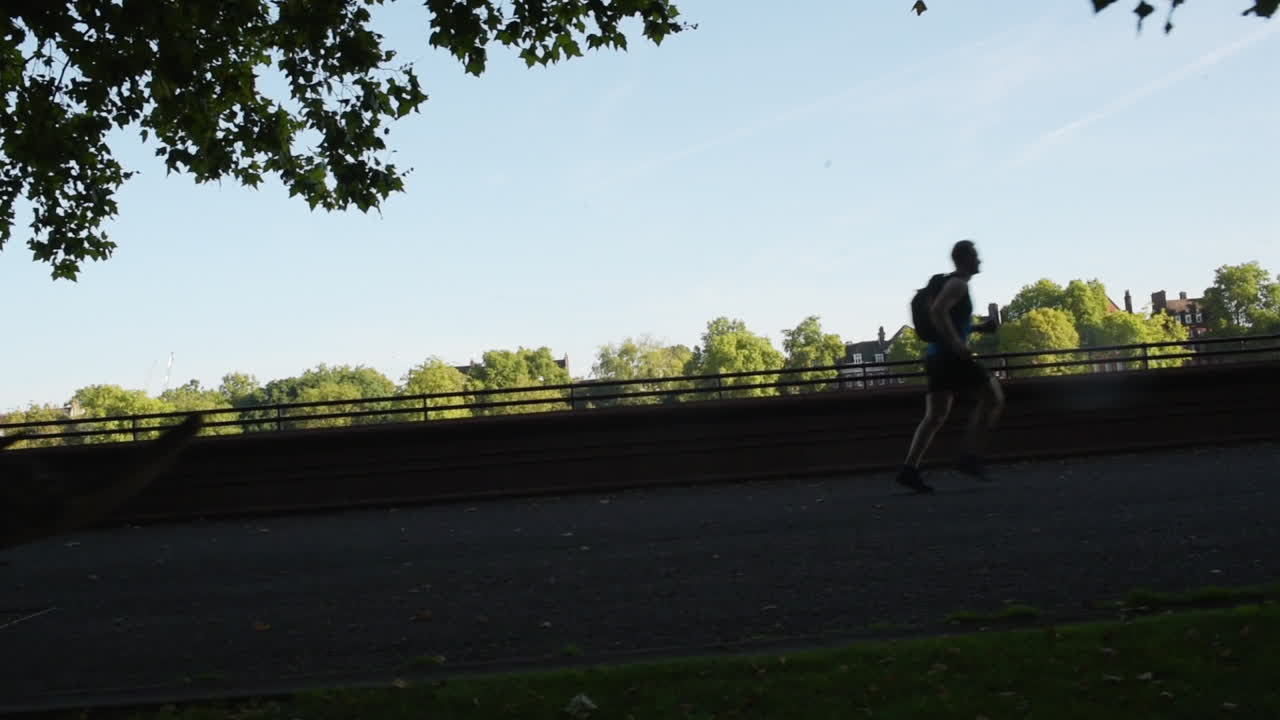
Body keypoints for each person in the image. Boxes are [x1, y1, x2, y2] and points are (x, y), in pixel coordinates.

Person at [896, 240, 1003, 493]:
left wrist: (977, 328)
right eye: (976, 256)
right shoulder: (957, 284)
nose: (980, 260)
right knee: (994, 398)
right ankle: (969, 456)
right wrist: (957, 344)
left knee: (934, 416)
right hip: (950, 356)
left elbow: (951, 319)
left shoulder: (951, 283)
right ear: (965, 258)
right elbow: (938, 312)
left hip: (936, 357)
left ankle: (909, 469)